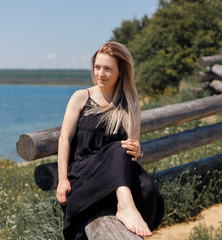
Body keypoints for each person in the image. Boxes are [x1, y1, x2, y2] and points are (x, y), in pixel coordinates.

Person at [56, 42, 164, 239]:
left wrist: (137, 149)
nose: (100, 73)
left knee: (148, 190)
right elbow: (65, 138)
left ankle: (124, 207)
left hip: (115, 175)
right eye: (97, 67)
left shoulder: (130, 104)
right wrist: (62, 179)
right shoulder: (81, 97)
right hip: (84, 173)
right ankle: (125, 207)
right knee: (117, 148)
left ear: (120, 72)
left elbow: (133, 145)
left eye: (107, 69)